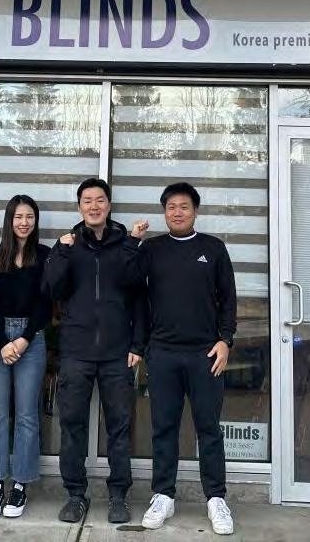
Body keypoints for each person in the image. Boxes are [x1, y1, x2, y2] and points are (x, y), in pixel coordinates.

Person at [124, 181, 236, 536]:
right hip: (163, 354)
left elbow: (228, 299)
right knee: (164, 428)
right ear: (164, 212)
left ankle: (216, 498)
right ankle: (163, 495)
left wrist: (225, 341)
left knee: (209, 429)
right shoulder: (151, 249)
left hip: (205, 354)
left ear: (195, 211)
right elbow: (128, 284)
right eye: (171, 207)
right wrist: (132, 241)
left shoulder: (213, 249)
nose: (177, 212)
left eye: (184, 206)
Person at [43, 178, 148, 525]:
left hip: (118, 353)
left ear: (109, 205)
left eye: (100, 200)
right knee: (72, 425)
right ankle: (75, 495)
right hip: (76, 352)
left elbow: (139, 297)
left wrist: (138, 344)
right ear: (79, 207)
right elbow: (52, 289)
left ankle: (118, 495)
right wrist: (61, 252)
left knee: (119, 427)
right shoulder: (69, 245)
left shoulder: (124, 246)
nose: (94, 206)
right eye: (87, 201)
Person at [0, 195, 51, 518]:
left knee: (26, 415)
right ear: (9, 220)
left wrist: (24, 339)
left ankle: (20, 484)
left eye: (29, 217)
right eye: (18, 217)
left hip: (31, 339)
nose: (24, 222)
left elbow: (45, 304)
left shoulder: (45, 256)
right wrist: (2, 341)